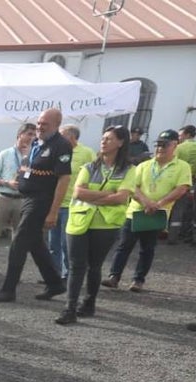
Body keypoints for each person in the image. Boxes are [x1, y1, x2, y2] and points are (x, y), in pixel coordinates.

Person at [0, 108, 71, 303]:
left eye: (45, 124)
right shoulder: (36, 143)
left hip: (42, 200)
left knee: (18, 243)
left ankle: (8, 290)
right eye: (39, 122)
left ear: (57, 125)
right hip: (27, 198)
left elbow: (63, 179)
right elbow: (27, 169)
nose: (40, 127)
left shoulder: (61, 146)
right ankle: (55, 283)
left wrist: (53, 212)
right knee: (36, 245)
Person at [54, 126, 135, 324]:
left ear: (121, 142)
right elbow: (78, 193)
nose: (104, 141)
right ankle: (70, 309)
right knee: (76, 266)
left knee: (95, 266)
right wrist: (108, 194)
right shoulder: (90, 167)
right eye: (103, 138)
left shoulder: (129, 170)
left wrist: (96, 196)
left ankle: (89, 303)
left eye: (109, 138)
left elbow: (122, 197)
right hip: (79, 221)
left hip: (105, 225)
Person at [103, 129, 192, 292]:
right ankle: (113, 276)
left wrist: (159, 203)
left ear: (175, 145)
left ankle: (138, 280)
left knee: (147, 248)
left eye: (164, 145)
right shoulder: (144, 165)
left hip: (157, 213)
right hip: (135, 212)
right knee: (124, 245)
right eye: (158, 145)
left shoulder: (181, 166)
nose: (160, 149)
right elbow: (132, 186)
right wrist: (146, 202)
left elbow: (182, 188)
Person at [0, 123, 35, 280]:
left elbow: (33, 176)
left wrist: (26, 160)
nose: (32, 137)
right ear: (19, 135)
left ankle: (14, 273)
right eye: (29, 134)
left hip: (22, 199)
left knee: (18, 239)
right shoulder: (5, 154)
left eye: (33, 135)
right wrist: (6, 183)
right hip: (3, 197)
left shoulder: (32, 155)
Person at [48, 125, 97, 282]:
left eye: (61, 135)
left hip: (73, 204)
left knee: (65, 243)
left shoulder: (87, 153)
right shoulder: (56, 150)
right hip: (55, 203)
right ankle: (53, 273)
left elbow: (96, 175)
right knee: (52, 243)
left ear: (71, 136)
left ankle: (69, 273)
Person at [170, 125, 196, 245]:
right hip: (193, 182)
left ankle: (172, 236)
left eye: (181, 135)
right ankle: (187, 235)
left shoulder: (179, 148)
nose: (179, 137)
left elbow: (172, 164)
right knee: (190, 211)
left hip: (179, 182)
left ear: (187, 135)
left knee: (177, 209)